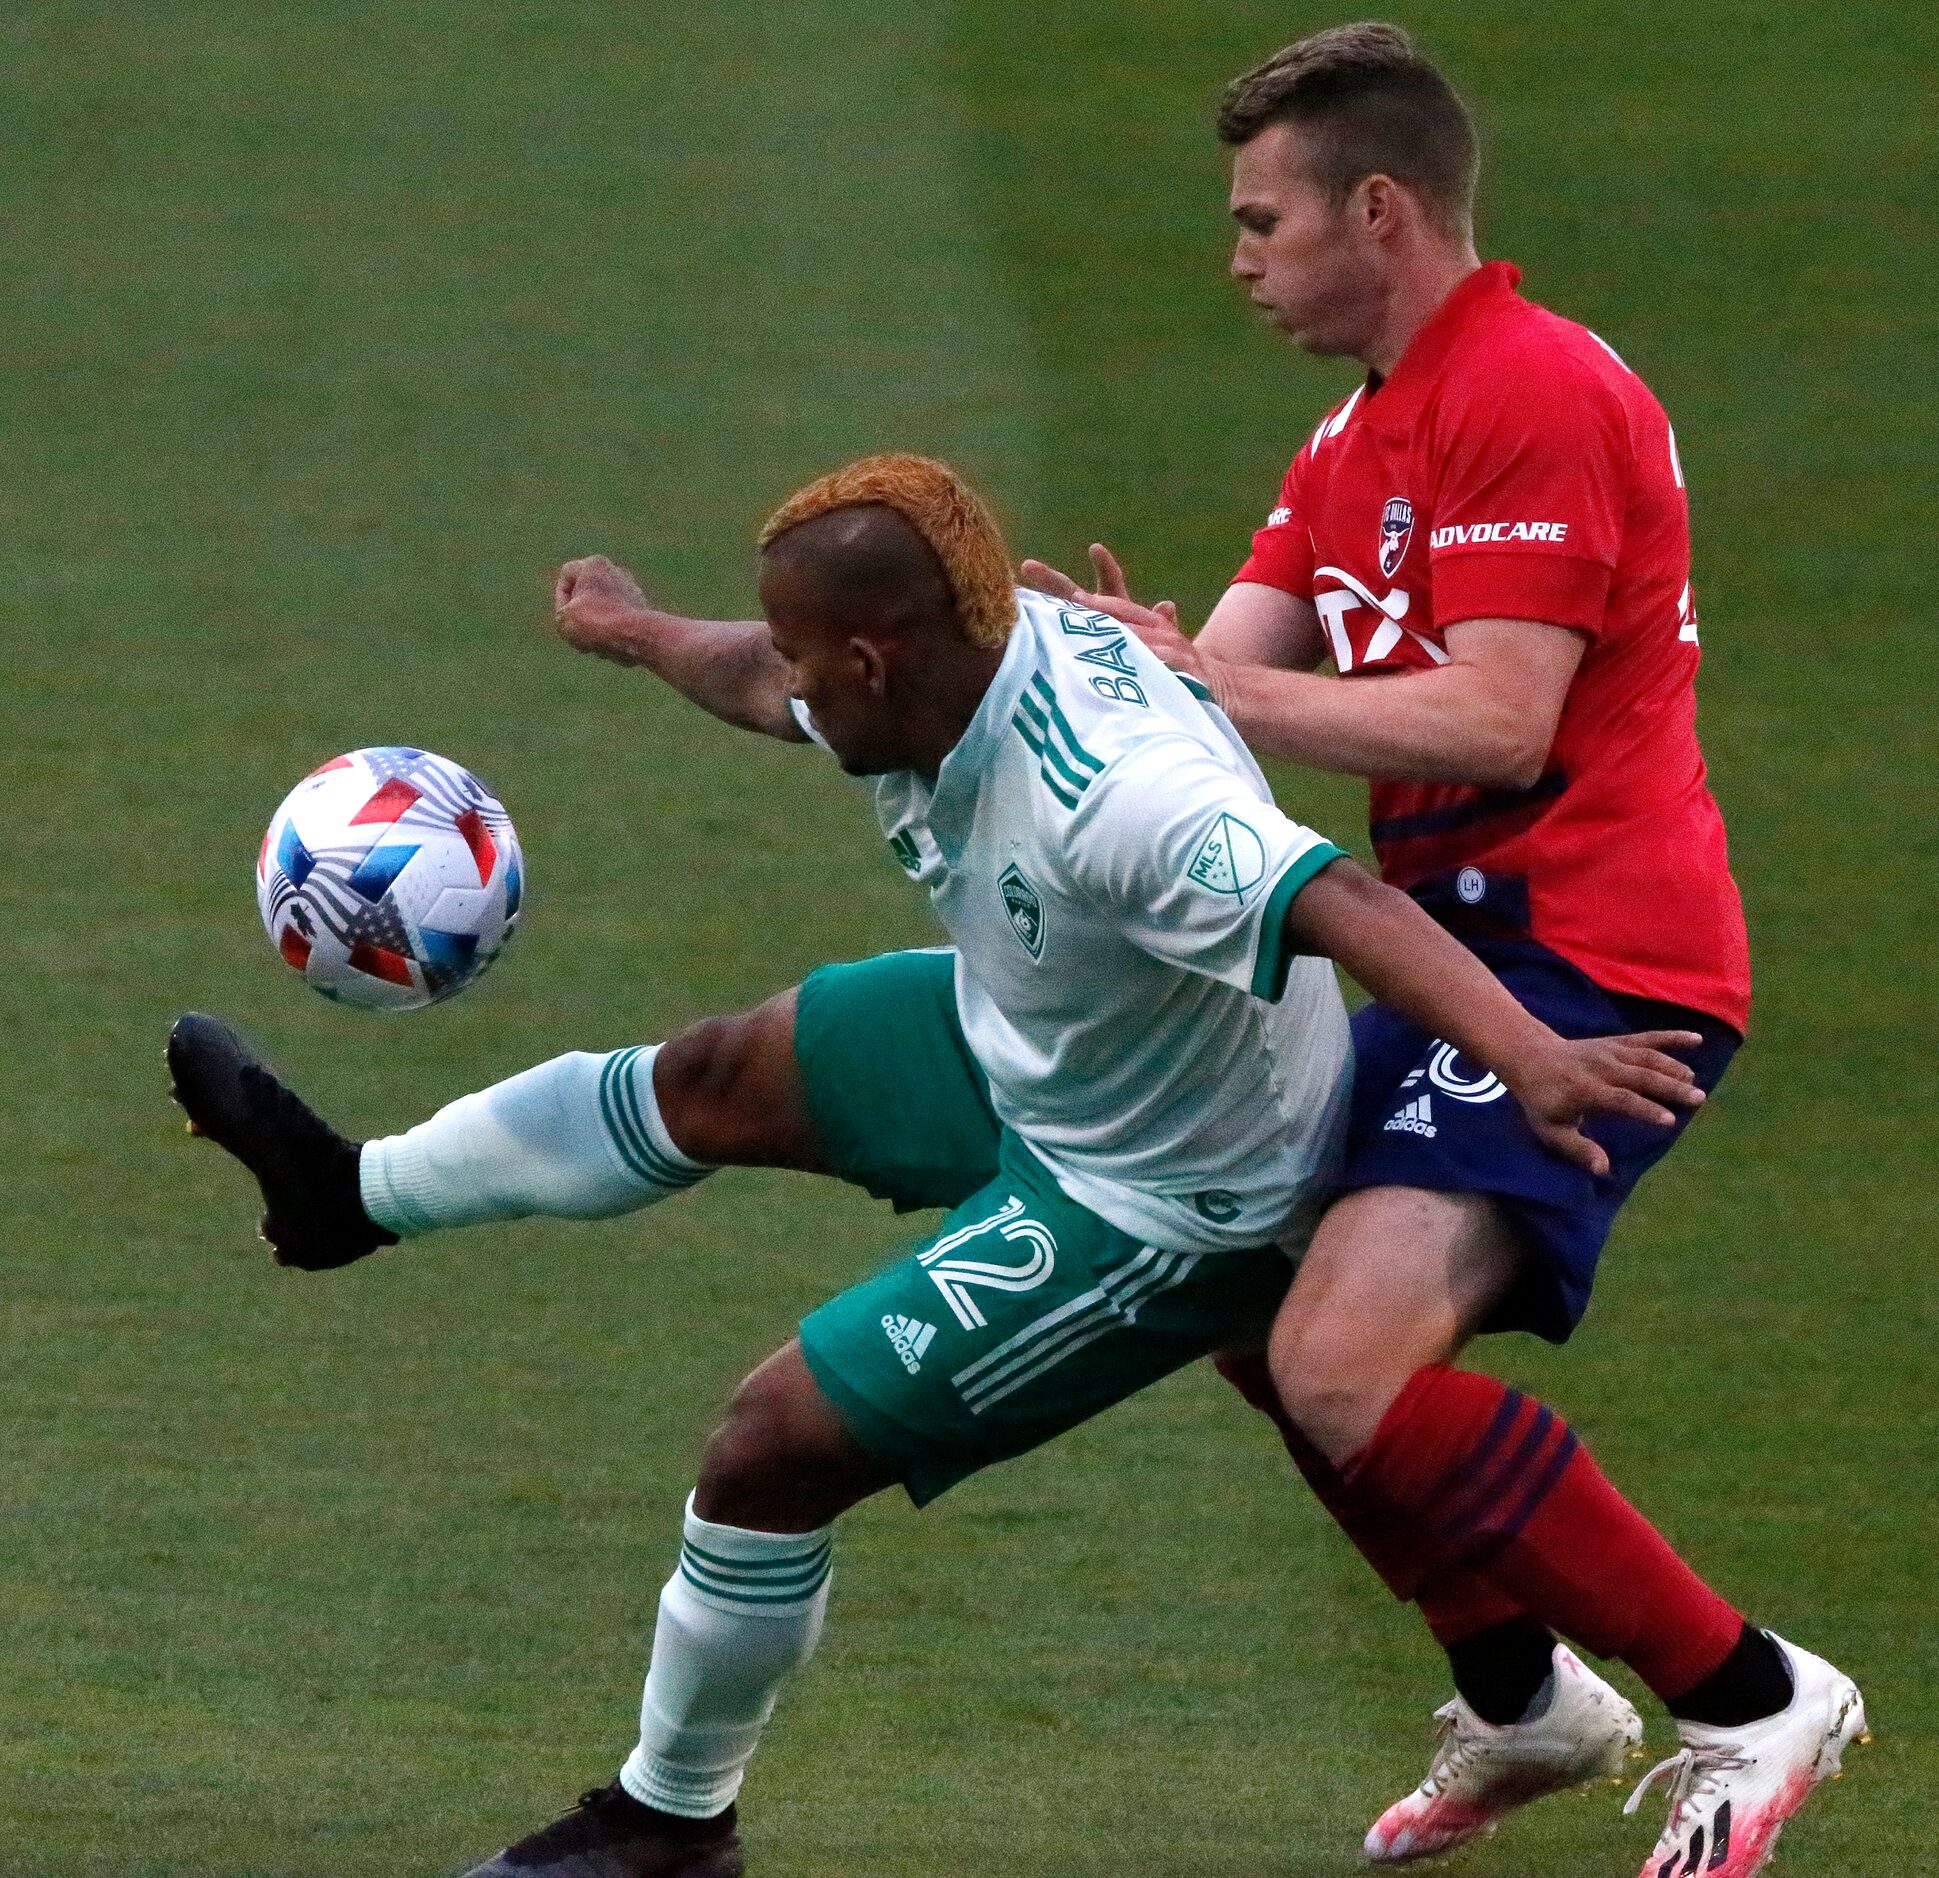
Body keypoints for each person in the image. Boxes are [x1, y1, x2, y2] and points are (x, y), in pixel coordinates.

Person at [168, 455, 1705, 1878]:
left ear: (880, 657)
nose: (785, 675)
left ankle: (666, 1822)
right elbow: (753, 676)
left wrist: (1532, 1053)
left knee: (769, 1446)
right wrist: (633, 628)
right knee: (715, 1074)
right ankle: (341, 1196)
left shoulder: (1119, 794)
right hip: (1042, 1041)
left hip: (1170, 1193)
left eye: (804, 652)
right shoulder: (923, 666)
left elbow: (1343, 904)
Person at [1020, 24, 1864, 1878]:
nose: (1236, 258)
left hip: (1595, 965)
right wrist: (1100, 673)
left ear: (1377, 208)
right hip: (1448, 957)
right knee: (1243, 1293)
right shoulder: (1362, 426)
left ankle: (1747, 1691)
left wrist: (1209, 680)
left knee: (1340, 1361)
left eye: (1262, 219)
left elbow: (1496, 720)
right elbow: (1226, 678)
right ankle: (1518, 1694)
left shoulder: (1533, 392)